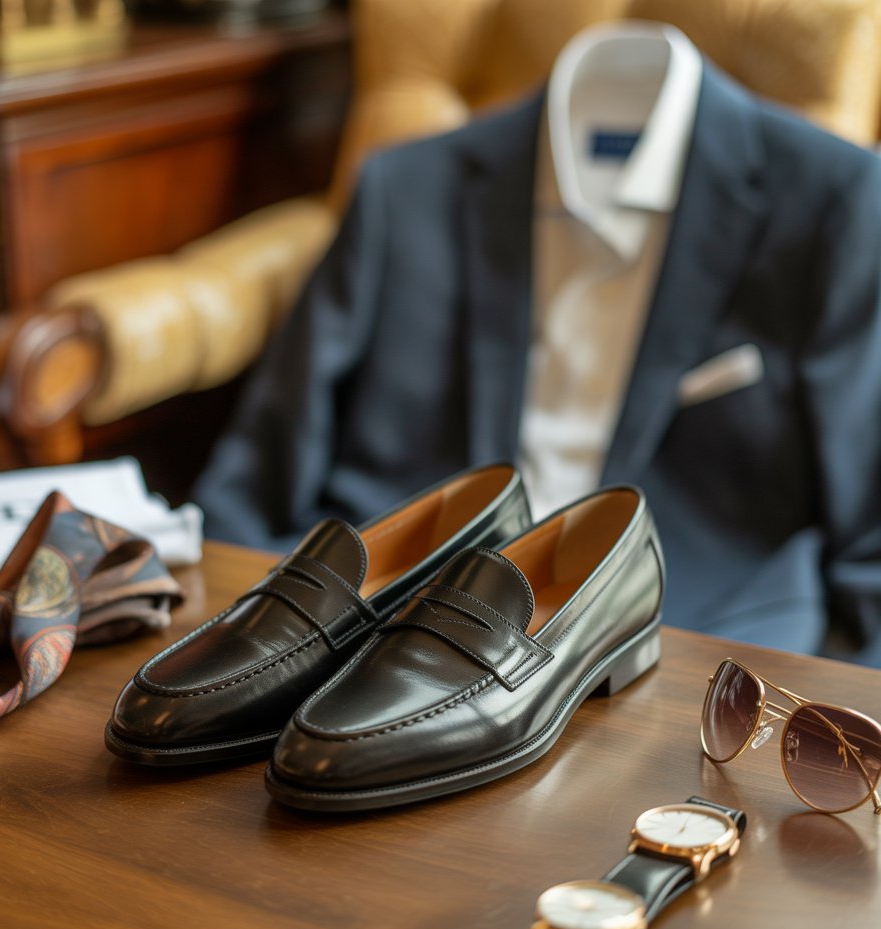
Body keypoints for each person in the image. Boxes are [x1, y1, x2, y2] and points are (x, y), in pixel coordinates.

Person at [194, 23, 881, 667]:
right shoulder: (404, 187)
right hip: (398, 637)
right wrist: (249, 644)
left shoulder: (838, 198)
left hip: (695, 650)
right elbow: (265, 463)